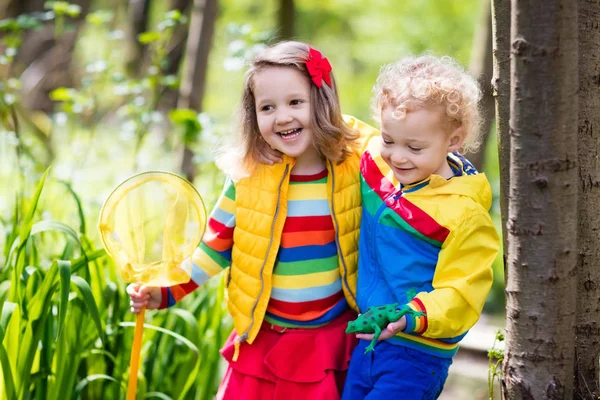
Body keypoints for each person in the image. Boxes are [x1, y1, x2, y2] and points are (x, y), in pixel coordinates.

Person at [127, 41, 378, 400]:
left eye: (295, 102)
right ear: (253, 115)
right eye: (267, 107)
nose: (282, 117)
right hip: (264, 338)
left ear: (321, 102)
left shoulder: (353, 165)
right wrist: (165, 290)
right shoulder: (249, 176)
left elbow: (403, 172)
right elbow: (214, 247)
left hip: (326, 340)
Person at [342, 55, 500, 399]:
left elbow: (462, 292)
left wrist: (410, 316)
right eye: (389, 140)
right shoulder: (377, 164)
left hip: (416, 353)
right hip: (368, 339)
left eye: (414, 147)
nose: (397, 156)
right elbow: (344, 130)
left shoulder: (463, 214)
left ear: (454, 140)